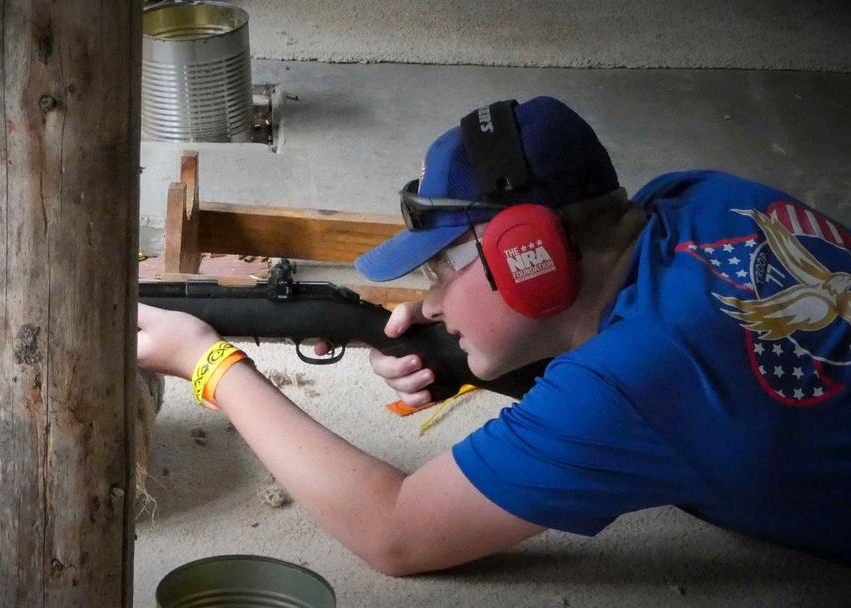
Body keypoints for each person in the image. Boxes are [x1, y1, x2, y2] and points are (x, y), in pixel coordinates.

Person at [136, 96, 851, 573]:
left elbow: (394, 534)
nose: (430, 300)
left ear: (528, 259)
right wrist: (475, 350)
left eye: (442, 270)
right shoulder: (704, 196)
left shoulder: (627, 385)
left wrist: (208, 361)